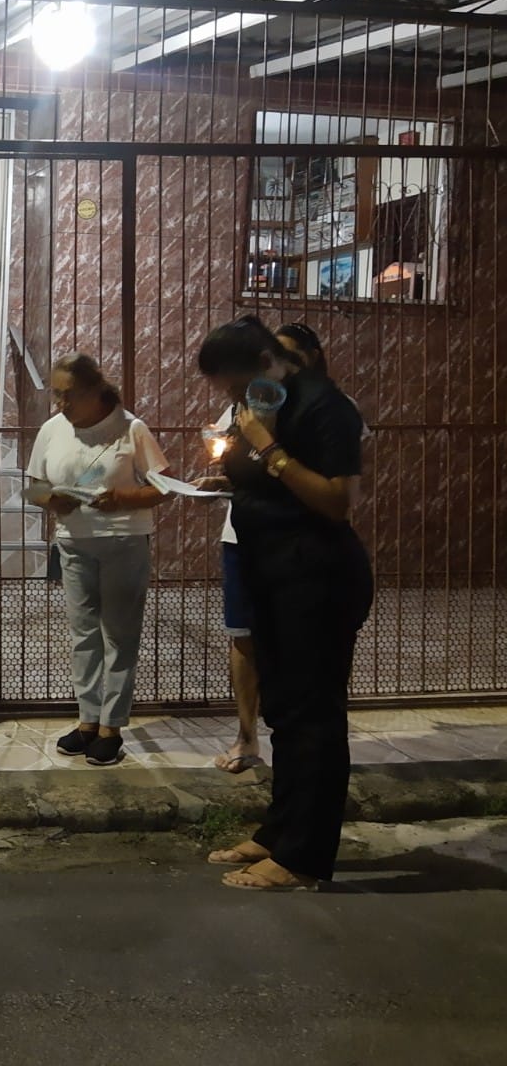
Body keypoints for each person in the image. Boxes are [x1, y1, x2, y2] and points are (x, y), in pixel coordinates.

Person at [197, 316, 373, 891]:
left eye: (234, 384)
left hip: (315, 581)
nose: (232, 396)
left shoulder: (326, 407)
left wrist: (268, 447)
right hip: (271, 575)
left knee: (314, 720)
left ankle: (304, 858)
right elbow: (268, 483)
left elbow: (336, 501)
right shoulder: (260, 406)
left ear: (266, 364)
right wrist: (232, 481)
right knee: (285, 714)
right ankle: (278, 834)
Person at [25, 353, 170, 767]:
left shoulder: (131, 428)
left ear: (95, 391)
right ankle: (87, 720)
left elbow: (162, 487)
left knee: (119, 636)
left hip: (123, 541)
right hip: (73, 542)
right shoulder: (52, 429)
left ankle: (112, 727)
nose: (61, 403)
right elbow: (34, 487)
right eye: (56, 394)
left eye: (68, 395)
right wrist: (54, 501)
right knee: (83, 635)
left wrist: (121, 498)